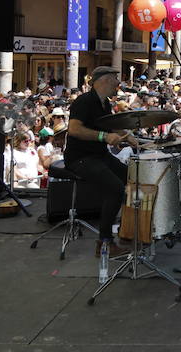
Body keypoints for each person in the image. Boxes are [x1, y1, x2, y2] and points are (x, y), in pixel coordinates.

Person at [65, 66, 137, 258]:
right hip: (80, 158)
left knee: (132, 177)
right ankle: (104, 243)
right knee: (115, 188)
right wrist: (103, 137)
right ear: (104, 80)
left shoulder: (104, 103)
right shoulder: (84, 101)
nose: (118, 83)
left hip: (99, 156)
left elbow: (111, 125)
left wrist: (128, 136)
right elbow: (74, 129)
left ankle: (127, 230)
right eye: (115, 78)